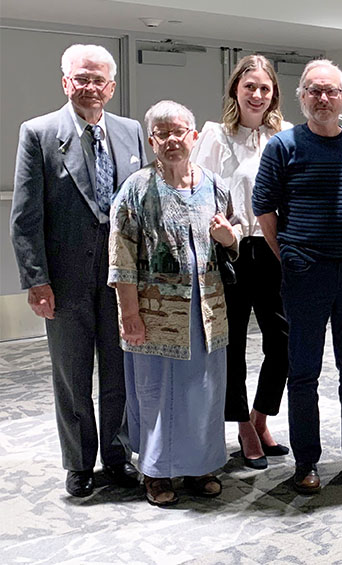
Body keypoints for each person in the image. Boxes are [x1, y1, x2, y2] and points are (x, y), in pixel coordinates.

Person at [10, 44, 145, 497]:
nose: (91, 87)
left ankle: (118, 456)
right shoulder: (39, 133)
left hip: (121, 281)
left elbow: (142, 208)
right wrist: (36, 280)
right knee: (71, 376)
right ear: (66, 82)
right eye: (82, 78)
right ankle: (79, 462)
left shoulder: (131, 133)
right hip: (64, 281)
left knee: (119, 371)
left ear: (112, 86)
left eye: (99, 80)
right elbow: (26, 217)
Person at [109, 100, 239, 506]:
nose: (171, 140)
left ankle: (200, 467)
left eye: (179, 131)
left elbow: (233, 234)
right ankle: (156, 472)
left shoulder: (215, 185)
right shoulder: (136, 189)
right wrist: (129, 313)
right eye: (162, 133)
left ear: (194, 136)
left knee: (203, 392)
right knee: (155, 394)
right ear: (151, 141)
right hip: (154, 317)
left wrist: (229, 238)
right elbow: (121, 257)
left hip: (207, 315)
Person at [253, 59, 342, 494]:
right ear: (302, 97)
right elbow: (263, 205)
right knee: (304, 372)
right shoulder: (283, 146)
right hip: (305, 273)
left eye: (331, 92)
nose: (323, 99)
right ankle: (307, 462)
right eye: (314, 91)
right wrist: (285, 255)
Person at [191, 55, 291, 470]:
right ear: (236, 89)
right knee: (231, 347)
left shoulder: (284, 136)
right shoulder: (215, 135)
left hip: (272, 248)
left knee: (283, 342)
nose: (257, 94)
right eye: (249, 86)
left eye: (265, 88)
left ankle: (261, 416)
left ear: (274, 95)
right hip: (230, 251)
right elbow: (197, 196)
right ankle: (242, 427)